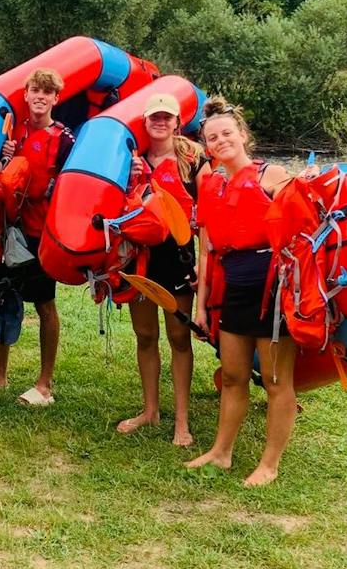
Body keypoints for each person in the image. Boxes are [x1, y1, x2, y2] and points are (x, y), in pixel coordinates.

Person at [186, 97, 301, 486]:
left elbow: (303, 235)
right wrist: (201, 307)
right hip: (233, 286)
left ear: (242, 135)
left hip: (274, 289)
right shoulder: (211, 184)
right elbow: (206, 249)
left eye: (226, 134)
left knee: (274, 381)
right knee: (233, 375)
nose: (221, 141)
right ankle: (221, 452)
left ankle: (269, 464)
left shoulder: (274, 176)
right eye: (212, 137)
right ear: (206, 145)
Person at [0, 68, 75, 405]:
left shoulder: (64, 139)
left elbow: (69, 187)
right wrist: (4, 158)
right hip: (8, 229)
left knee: (44, 305)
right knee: (3, 297)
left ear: (56, 98)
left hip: (40, 235)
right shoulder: (14, 133)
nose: (40, 97)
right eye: (35, 91)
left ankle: (44, 385)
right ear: (26, 96)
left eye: (47, 92)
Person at [117, 94, 209, 446]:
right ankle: (150, 410)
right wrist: (130, 179)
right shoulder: (131, 158)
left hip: (178, 260)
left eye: (166, 117)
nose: (160, 121)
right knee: (145, 336)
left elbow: (208, 219)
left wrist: (204, 260)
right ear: (145, 120)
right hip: (140, 258)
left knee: (178, 338)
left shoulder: (193, 158)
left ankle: (182, 422)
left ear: (176, 122)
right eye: (154, 116)